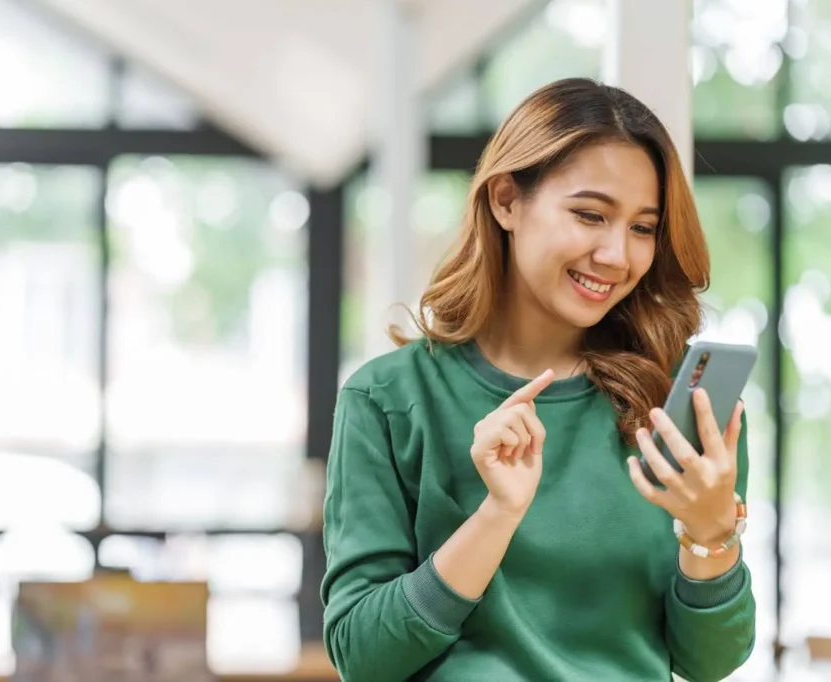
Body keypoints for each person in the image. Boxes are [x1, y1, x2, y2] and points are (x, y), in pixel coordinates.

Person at [320, 77, 755, 681]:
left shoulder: (677, 410)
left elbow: (709, 662)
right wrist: (497, 513)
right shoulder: (387, 400)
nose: (616, 255)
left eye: (642, 227)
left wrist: (709, 533)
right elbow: (363, 657)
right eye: (589, 215)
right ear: (505, 200)